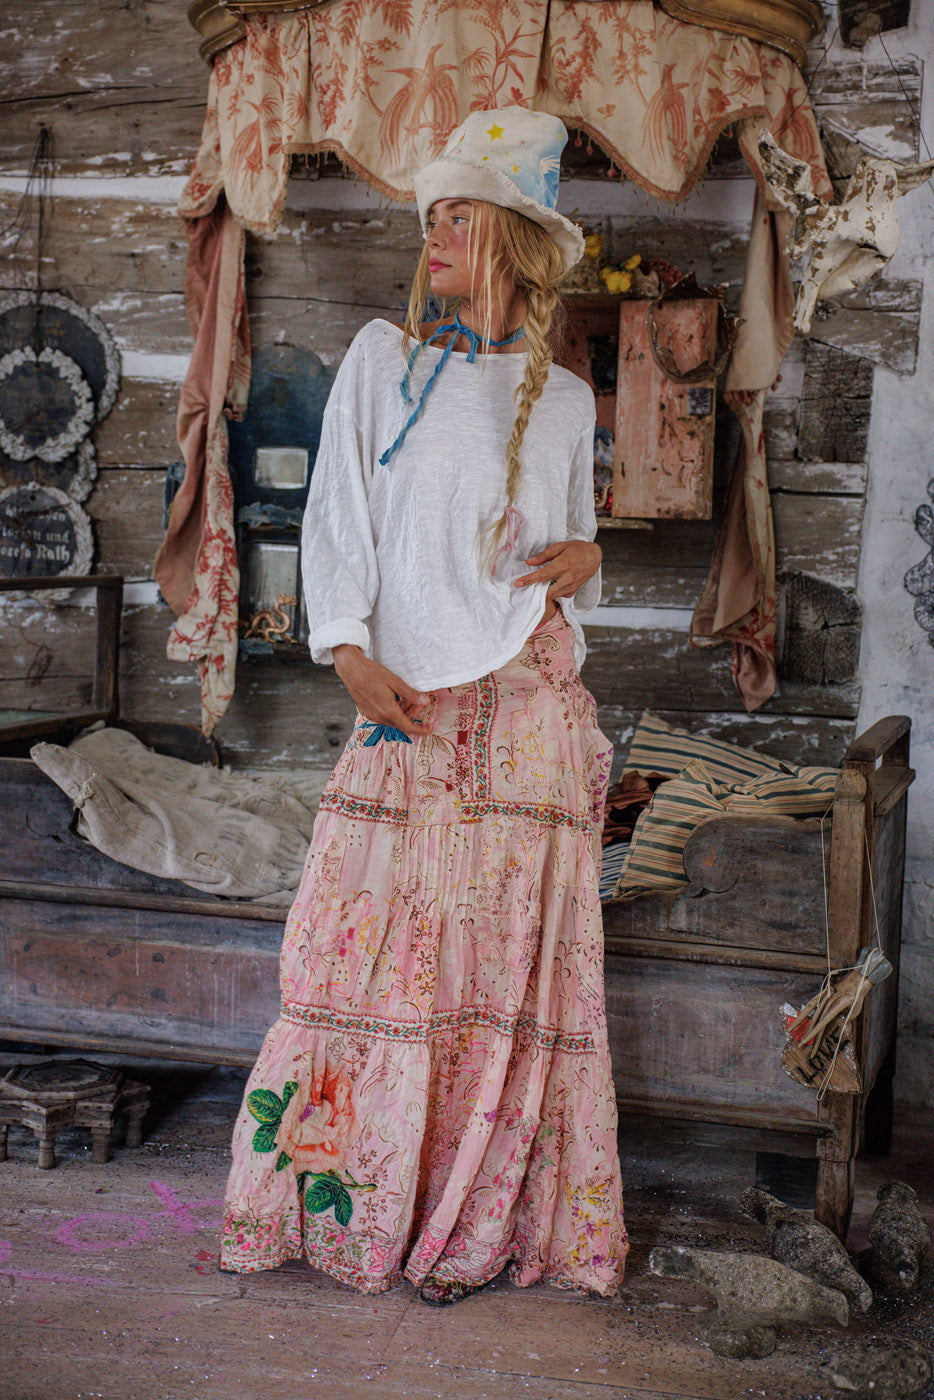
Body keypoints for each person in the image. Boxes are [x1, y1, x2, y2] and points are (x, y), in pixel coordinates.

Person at [220, 106, 628, 1304]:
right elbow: (335, 515)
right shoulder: (379, 360)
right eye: (431, 211)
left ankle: (480, 1212)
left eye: (460, 211)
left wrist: (587, 560)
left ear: (510, 235)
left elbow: (561, 544)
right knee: (368, 960)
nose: (435, 231)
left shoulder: (558, 399)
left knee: (502, 971)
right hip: (409, 705)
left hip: (530, 709)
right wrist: (341, 646)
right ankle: (367, 1203)